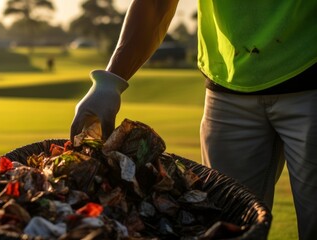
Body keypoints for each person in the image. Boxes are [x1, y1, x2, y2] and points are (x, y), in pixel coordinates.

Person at [70, 0, 317, 239]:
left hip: (310, 76)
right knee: (226, 226)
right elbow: (157, 3)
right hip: (228, 88)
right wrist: (110, 81)